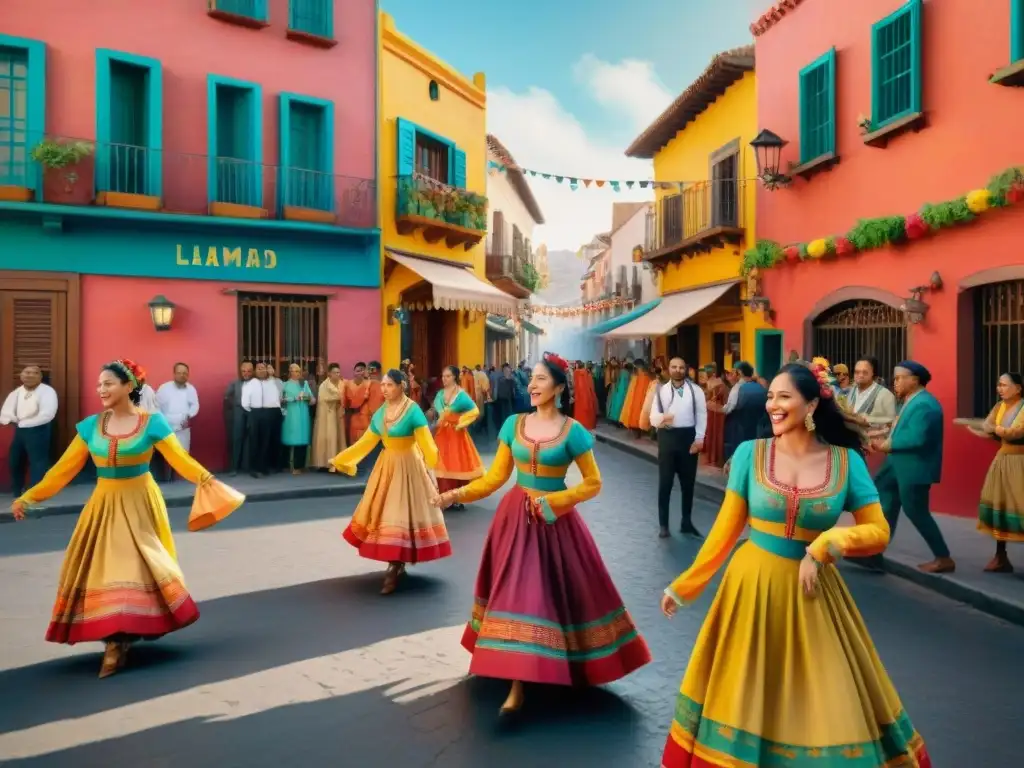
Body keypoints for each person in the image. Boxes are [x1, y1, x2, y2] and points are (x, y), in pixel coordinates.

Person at [658, 361, 930, 767]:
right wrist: (686, 585)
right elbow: (725, 531)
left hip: (814, 594)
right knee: (747, 694)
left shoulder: (846, 462)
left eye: (784, 397)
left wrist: (828, 544)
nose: (773, 405)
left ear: (812, 405)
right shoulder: (751, 454)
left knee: (827, 696)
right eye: (771, 396)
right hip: (751, 589)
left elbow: (877, 531)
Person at [436, 352, 651, 716]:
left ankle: (547, 669)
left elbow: (594, 483)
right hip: (514, 522)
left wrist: (556, 502)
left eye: (539, 379)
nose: (532, 385)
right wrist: (453, 494)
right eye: (531, 379)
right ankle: (518, 680)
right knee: (517, 594)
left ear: (558, 387)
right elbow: (495, 478)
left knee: (549, 595)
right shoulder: (513, 424)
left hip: (556, 525)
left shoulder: (574, 432)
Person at [10, 359, 244, 678]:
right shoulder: (90, 426)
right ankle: (115, 638)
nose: (101, 389)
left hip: (141, 502)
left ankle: (121, 638)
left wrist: (208, 482)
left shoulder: (153, 423)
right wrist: (29, 496)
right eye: (99, 384)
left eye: (108, 383)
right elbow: (61, 471)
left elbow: (181, 460)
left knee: (139, 566)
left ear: (129, 386)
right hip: (103, 504)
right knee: (104, 570)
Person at [331, 368, 450, 595]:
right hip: (387, 466)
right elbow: (366, 442)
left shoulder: (412, 410)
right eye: (383, 385)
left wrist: (433, 462)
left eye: (389, 385)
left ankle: (395, 566)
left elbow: (426, 442)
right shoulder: (382, 413)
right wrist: (343, 458)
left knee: (403, 514)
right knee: (386, 513)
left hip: (410, 466)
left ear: (401, 386)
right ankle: (396, 562)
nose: (384, 389)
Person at [864, 360, 954, 574]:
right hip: (896, 466)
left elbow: (917, 437)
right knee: (883, 505)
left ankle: (943, 557)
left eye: (899, 378)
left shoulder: (925, 404)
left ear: (914, 380)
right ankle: (873, 553)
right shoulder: (910, 401)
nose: (895, 383)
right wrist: (879, 436)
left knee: (916, 511)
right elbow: (900, 429)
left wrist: (886, 444)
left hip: (914, 468)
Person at [966, 371, 1023, 572]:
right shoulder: (999, 407)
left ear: (1018, 388)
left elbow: (1017, 432)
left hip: (1020, 462)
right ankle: (1000, 556)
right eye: (999, 385)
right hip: (1002, 461)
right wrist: (996, 429)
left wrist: (998, 430)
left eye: (1004, 385)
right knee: (1000, 504)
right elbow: (987, 425)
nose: (1000, 389)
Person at [649, 357, 707, 539]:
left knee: (688, 484)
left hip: (688, 439)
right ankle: (664, 525)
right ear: (669, 369)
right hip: (668, 439)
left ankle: (687, 522)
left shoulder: (696, 391)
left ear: (686, 370)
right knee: (665, 484)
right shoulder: (661, 391)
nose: (678, 370)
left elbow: (701, 414)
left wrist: (699, 438)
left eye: (681, 367)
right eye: (674, 367)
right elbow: (653, 417)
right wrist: (662, 419)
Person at [428, 365, 484, 511]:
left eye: (447, 376)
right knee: (439, 465)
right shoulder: (440, 394)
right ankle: (441, 497)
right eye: (443, 376)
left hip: (456, 435)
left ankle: (454, 498)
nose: (444, 379)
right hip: (441, 433)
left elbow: (474, 411)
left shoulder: (461, 395)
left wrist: (460, 423)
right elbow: (436, 411)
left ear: (455, 377)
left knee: (455, 465)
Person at [2, 364, 58, 499]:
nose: (30, 375)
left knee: (37, 462)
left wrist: (26, 422)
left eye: (34, 373)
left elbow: (47, 414)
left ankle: (36, 494)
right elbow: (5, 411)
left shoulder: (47, 391)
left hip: (39, 429)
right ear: (21, 376)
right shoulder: (16, 393)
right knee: (15, 461)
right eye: (27, 372)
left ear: (40, 377)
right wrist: (11, 419)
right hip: (19, 430)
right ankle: (17, 491)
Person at [716, 361, 768, 461]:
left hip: (740, 427)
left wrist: (714, 407)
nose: (731, 375)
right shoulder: (761, 386)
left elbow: (728, 409)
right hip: (759, 428)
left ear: (739, 373)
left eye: (733, 372)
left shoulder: (737, 388)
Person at [156, 363, 200, 481]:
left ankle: (180, 478)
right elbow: (156, 406)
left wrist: (189, 416)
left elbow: (195, 405)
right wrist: (162, 422)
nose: (182, 375)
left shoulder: (191, 389)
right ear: (174, 374)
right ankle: (168, 478)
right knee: (169, 452)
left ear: (188, 375)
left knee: (183, 452)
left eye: (185, 373)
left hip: (183, 425)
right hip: (167, 425)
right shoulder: (164, 388)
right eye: (179, 373)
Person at [241, 361, 282, 477]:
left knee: (266, 441)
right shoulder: (250, 384)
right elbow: (245, 403)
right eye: (258, 368)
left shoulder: (272, 382)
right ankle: (254, 469)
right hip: (255, 413)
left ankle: (264, 467)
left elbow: (278, 396)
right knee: (255, 441)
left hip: (269, 413)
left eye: (263, 368)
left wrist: (272, 375)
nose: (261, 370)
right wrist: (254, 412)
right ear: (255, 371)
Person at [310, 362, 346, 470]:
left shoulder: (342, 384)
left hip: (338, 414)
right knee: (327, 437)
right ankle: (324, 463)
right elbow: (324, 399)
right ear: (329, 373)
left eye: (339, 372)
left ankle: (338, 463)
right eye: (335, 372)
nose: (337, 374)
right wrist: (338, 397)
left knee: (338, 438)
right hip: (326, 416)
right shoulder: (324, 385)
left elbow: (345, 396)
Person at [281, 363, 315, 474]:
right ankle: (288, 465)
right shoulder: (284, 385)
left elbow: (312, 400)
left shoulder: (304, 384)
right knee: (290, 438)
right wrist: (293, 398)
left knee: (302, 438)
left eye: (297, 371)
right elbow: (281, 400)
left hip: (303, 414)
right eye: (292, 371)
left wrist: (307, 397)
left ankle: (300, 466)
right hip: (291, 415)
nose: (295, 373)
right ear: (289, 372)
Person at [847, 355, 897, 428]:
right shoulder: (851, 391)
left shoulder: (886, 395)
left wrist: (868, 422)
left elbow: (892, 424)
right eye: (857, 372)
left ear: (873, 373)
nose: (860, 375)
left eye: (865, 372)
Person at [223, 360, 254, 475]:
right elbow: (226, 396)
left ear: (253, 371)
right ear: (240, 371)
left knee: (251, 440)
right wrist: (236, 404)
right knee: (237, 440)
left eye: (249, 371)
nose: (246, 373)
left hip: (252, 413)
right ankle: (234, 467)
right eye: (244, 371)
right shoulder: (234, 383)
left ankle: (249, 467)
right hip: (238, 414)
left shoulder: (255, 383)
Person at [572, 360, 598, 430]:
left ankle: (581, 425)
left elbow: (577, 385)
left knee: (580, 412)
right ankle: (589, 424)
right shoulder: (587, 372)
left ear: (577, 365)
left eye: (575, 364)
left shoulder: (577, 372)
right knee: (587, 411)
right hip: (587, 394)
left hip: (580, 395)